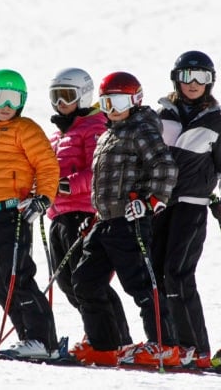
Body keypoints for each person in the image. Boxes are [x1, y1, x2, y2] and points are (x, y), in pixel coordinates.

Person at [69, 71, 180, 367]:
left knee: (140, 284)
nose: (111, 108)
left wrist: (152, 202)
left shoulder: (141, 129)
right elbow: (105, 181)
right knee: (85, 281)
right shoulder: (108, 134)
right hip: (105, 221)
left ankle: (164, 345)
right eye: (105, 102)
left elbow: (164, 166)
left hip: (130, 220)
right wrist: (95, 214)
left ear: (135, 99)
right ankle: (104, 346)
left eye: (118, 101)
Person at [0, 69, 61, 359]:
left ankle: (43, 341)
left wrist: (43, 198)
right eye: (2, 98)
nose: (8, 105)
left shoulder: (25, 129)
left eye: (15, 99)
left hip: (13, 212)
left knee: (17, 278)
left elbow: (47, 165)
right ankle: (29, 339)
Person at [151, 50, 221, 368]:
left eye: (202, 77)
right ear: (177, 78)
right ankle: (170, 346)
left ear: (210, 82)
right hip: (158, 205)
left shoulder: (217, 122)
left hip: (192, 204)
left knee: (178, 273)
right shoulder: (159, 116)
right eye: (188, 76)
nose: (194, 83)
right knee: (156, 274)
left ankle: (197, 349)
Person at [45, 68, 132, 349]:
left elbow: (100, 169)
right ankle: (102, 335)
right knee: (68, 285)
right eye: (55, 97)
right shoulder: (58, 135)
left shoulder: (94, 126)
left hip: (83, 214)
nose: (60, 103)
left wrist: (69, 185)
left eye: (67, 96)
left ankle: (111, 341)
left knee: (89, 282)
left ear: (83, 96)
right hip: (58, 215)